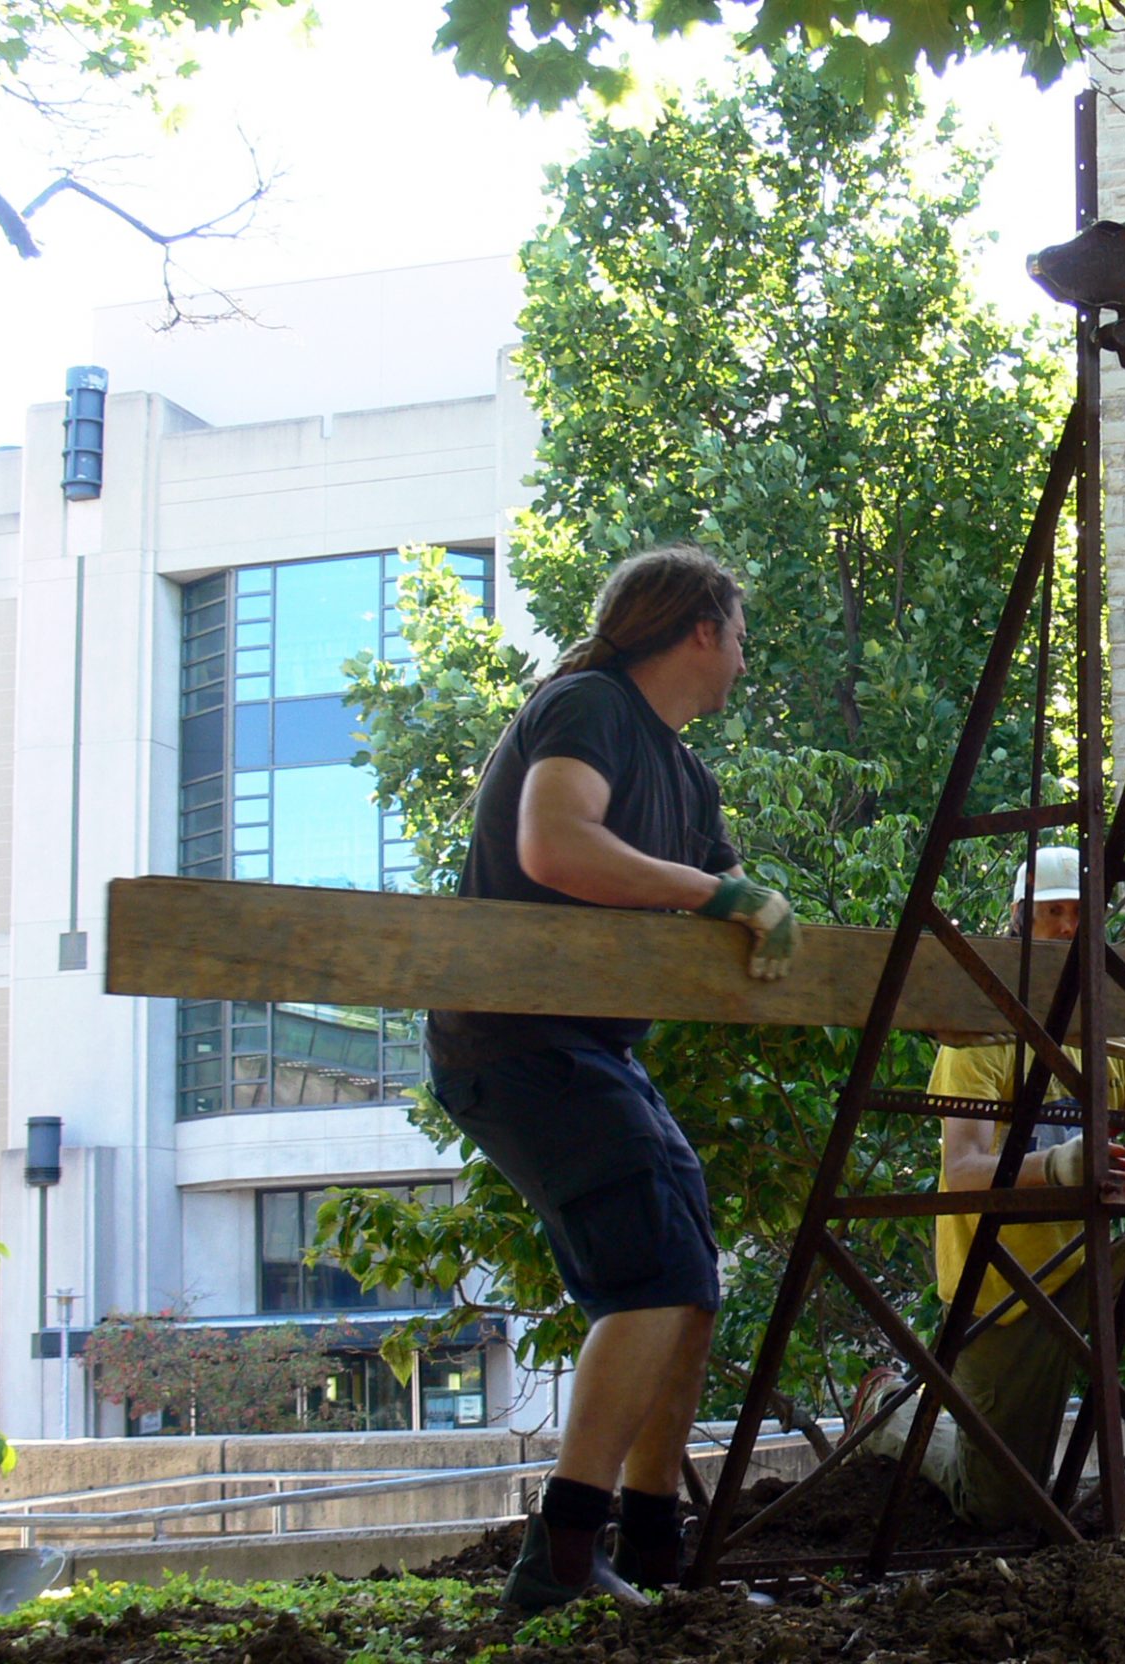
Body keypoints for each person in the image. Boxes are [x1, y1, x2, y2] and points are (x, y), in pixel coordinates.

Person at [425, 544, 798, 1609]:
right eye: (740, 636)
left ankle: (650, 1557)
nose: (743, 660)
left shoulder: (685, 774)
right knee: (653, 1277)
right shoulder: (586, 705)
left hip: (594, 1046)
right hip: (516, 1040)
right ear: (698, 630)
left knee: (690, 1288)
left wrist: (744, 904)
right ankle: (562, 1563)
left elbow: (720, 888)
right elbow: (554, 844)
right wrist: (721, 899)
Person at [855, 847, 1125, 1528]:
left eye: (1080, 915)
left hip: (1085, 1265)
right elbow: (964, 1172)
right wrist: (1060, 1165)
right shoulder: (976, 1034)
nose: (1068, 928)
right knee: (1000, 1510)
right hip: (998, 1294)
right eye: (1052, 914)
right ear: (1018, 923)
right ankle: (896, 1411)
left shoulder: (1119, 1037)